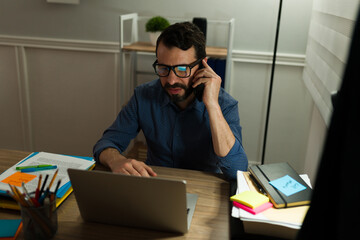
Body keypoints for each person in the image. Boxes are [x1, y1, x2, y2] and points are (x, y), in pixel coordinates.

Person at [93, 22, 248, 180]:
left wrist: (212, 105)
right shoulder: (143, 96)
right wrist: (116, 160)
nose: (171, 80)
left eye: (182, 69)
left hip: (204, 188)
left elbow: (237, 170)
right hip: (156, 184)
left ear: (203, 66)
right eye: (163, 68)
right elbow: (105, 144)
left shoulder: (224, 104)